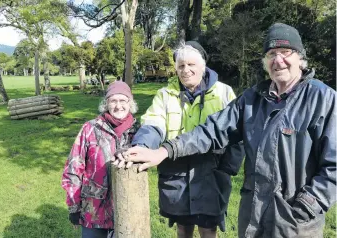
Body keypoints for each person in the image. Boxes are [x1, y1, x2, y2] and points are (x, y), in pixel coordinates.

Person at [118, 23, 336, 237]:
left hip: (295, 223)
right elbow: (211, 130)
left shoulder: (323, 99)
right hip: (253, 218)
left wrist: (307, 205)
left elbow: (334, 165)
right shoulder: (253, 99)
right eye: (271, 54)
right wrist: (163, 151)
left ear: (300, 57)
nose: (278, 60)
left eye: (285, 52)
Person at [115, 41, 244, 238]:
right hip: (176, 172)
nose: (186, 70)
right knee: (183, 228)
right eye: (181, 66)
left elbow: (237, 135)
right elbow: (153, 123)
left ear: (203, 66)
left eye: (191, 65)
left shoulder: (223, 92)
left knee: (209, 229)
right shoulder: (165, 95)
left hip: (211, 174)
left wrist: (226, 168)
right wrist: (141, 146)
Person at [62, 81, 139, 238]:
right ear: (106, 104)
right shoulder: (90, 129)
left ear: (130, 103)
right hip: (93, 212)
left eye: (123, 100)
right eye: (113, 101)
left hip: (128, 209)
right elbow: (73, 168)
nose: (118, 106)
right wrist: (74, 206)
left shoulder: (139, 132)